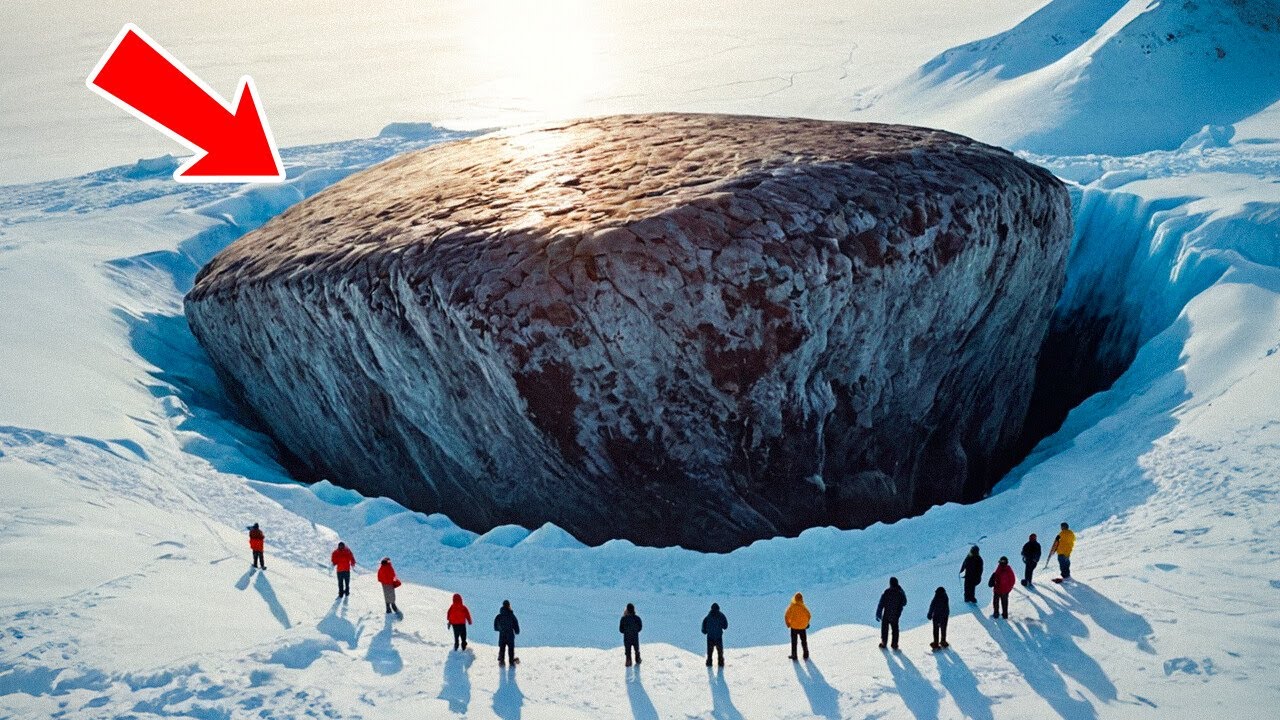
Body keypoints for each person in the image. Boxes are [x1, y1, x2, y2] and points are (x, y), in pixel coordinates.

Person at [876, 577, 908, 650]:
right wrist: (901, 590)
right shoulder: (900, 593)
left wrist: (878, 613)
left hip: (886, 614)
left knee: (884, 629)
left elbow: (881, 603)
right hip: (895, 614)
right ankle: (894, 644)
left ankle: (884, 643)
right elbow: (904, 602)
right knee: (895, 629)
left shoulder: (887, 592)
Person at [784, 593, 811, 660]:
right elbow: (809, 615)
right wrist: (806, 623)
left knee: (794, 642)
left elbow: (786, 615)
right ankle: (806, 654)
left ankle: (794, 655)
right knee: (804, 641)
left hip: (794, 628)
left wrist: (788, 624)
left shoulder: (792, 606)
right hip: (802, 628)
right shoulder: (803, 606)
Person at [701, 603, 728, 667]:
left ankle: (709, 663)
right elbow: (725, 626)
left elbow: (703, 629)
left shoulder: (708, 617)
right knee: (720, 652)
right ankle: (721, 663)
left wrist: (706, 631)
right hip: (718, 637)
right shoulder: (721, 616)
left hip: (710, 637)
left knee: (709, 653)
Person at [494, 600, 520, 666]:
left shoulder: (499, 616)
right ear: (509, 605)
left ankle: (501, 661)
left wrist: (500, 629)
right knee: (511, 649)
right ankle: (511, 661)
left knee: (502, 648)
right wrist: (517, 631)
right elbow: (516, 624)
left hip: (502, 635)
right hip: (510, 635)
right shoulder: (512, 616)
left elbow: (495, 627)